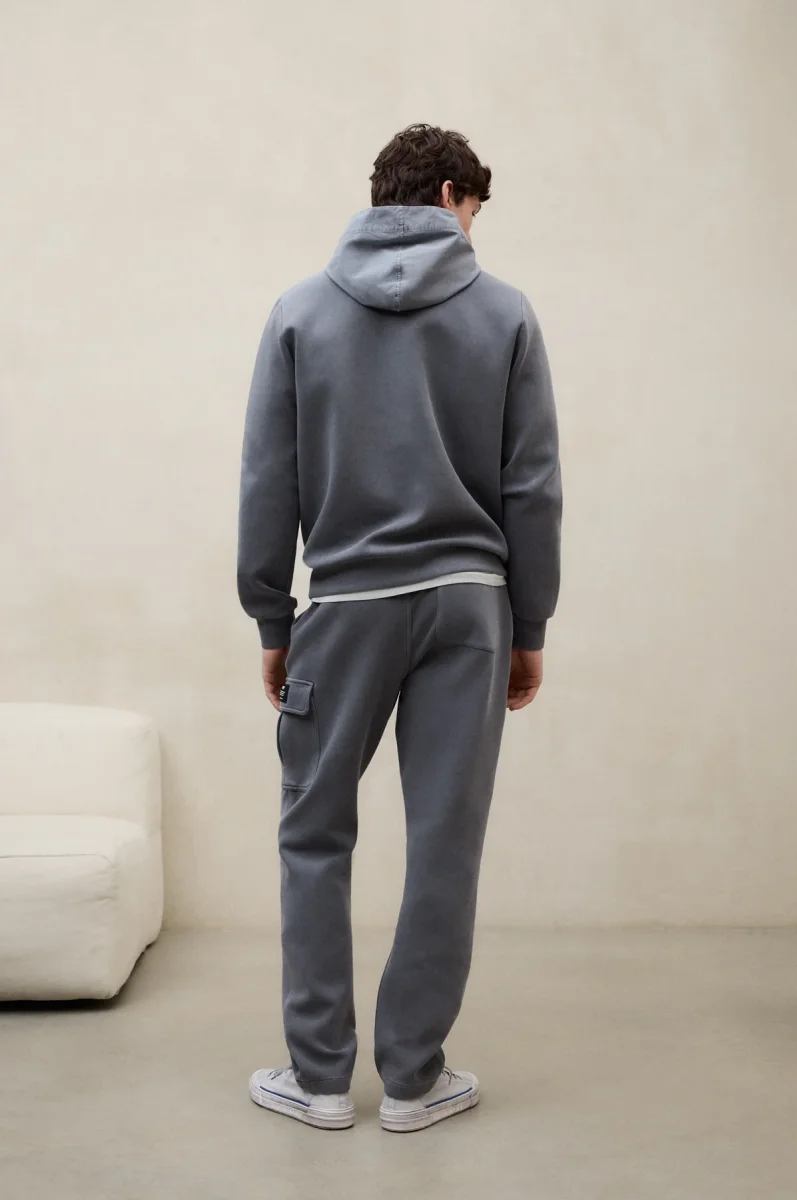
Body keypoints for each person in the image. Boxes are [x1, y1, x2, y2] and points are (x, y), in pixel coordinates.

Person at [237, 123, 562, 1132]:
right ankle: (415, 1081)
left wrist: (271, 616)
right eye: (474, 213)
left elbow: (268, 479)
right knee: (444, 841)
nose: (472, 235)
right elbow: (532, 486)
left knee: (313, 833)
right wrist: (529, 623)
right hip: (470, 608)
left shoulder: (299, 311)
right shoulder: (505, 312)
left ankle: (320, 1081)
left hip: (345, 605)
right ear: (452, 195)